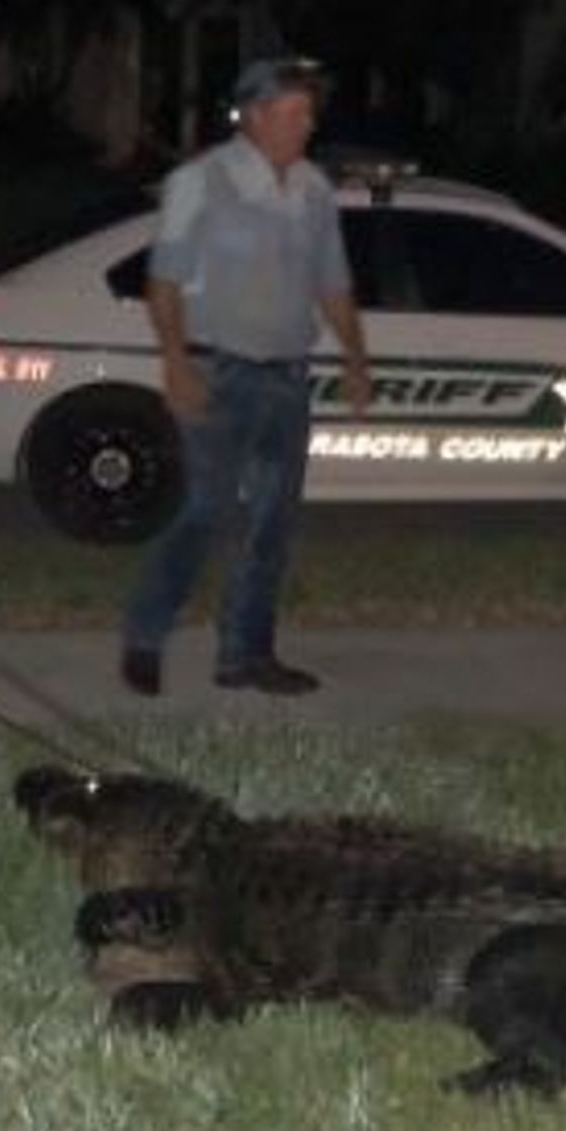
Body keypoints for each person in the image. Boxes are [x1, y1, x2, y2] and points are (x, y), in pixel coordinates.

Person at [119, 56, 372, 697]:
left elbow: (332, 281)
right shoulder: (200, 182)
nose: (306, 124)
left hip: (286, 376)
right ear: (255, 116)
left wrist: (355, 357)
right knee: (199, 512)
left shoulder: (314, 189)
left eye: (308, 113)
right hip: (215, 369)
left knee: (271, 525)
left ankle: (246, 655)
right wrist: (174, 363)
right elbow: (164, 282)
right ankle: (146, 636)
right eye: (294, 112)